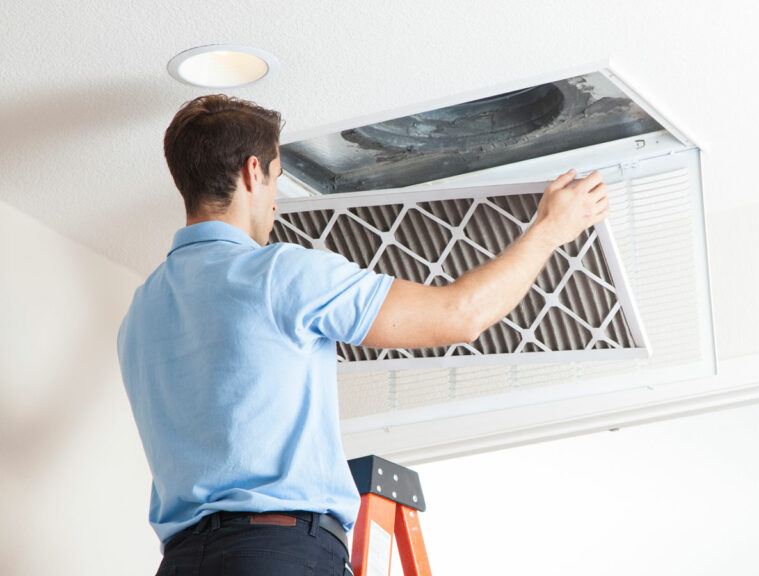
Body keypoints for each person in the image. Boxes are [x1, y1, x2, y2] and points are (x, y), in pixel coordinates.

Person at [117, 94, 609, 576]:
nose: (276, 204)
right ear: (253, 172)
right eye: (277, 179)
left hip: (181, 562)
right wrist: (549, 229)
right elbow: (460, 314)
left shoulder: (140, 313)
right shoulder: (280, 273)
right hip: (276, 552)